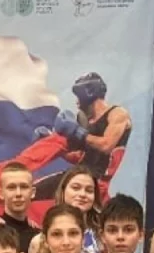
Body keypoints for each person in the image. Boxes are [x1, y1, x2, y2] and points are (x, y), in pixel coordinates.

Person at [37, 72, 132, 201]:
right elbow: (79, 156)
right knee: (32, 191)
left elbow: (106, 145)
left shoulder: (117, 114)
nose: (77, 102)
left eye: (78, 97)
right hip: (77, 175)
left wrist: (77, 131)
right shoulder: (83, 119)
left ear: (88, 93)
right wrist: (53, 145)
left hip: (97, 182)